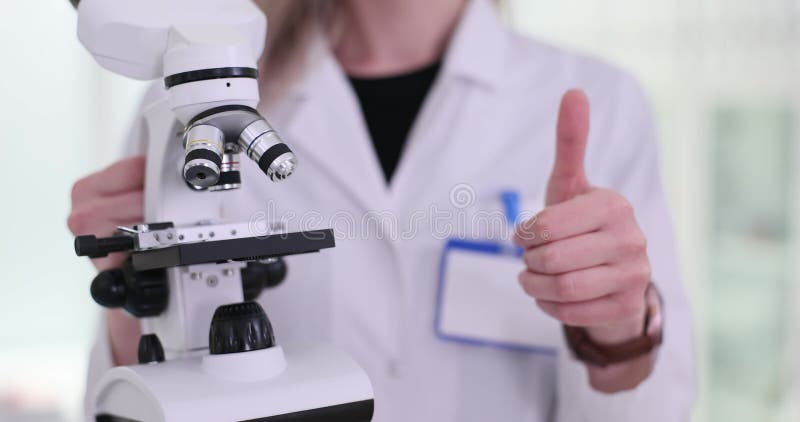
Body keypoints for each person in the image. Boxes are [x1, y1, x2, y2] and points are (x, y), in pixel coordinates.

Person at [67, 0, 695, 420]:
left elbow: (657, 408)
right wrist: (135, 293)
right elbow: (124, 397)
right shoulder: (196, 96)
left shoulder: (600, 101)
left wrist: (618, 326)